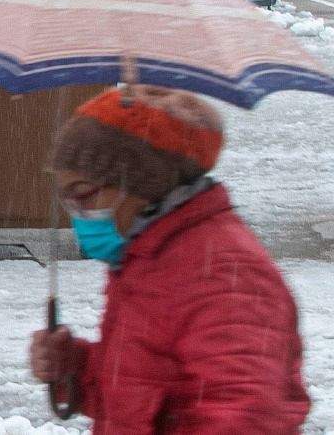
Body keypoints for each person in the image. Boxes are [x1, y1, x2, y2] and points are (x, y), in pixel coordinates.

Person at [29, 85, 308, 433]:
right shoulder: (147, 259)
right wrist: (75, 368)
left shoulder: (224, 274)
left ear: (141, 182)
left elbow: (245, 416)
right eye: (66, 198)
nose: (77, 213)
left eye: (83, 194)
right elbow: (140, 398)